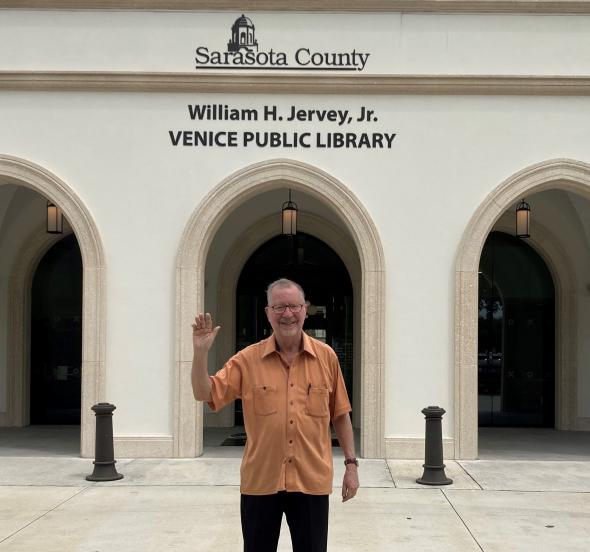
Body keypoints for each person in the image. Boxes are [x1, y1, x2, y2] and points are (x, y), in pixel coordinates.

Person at [191, 278, 359, 552]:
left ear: (305, 309)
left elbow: (340, 414)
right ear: (268, 313)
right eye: (279, 307)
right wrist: (200, 354)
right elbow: (204, 393)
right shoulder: (247, 360)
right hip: (261, 483)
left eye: (293, 306)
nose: (287, 314)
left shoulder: (327, 357)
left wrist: (351, 466)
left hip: (311, 483)